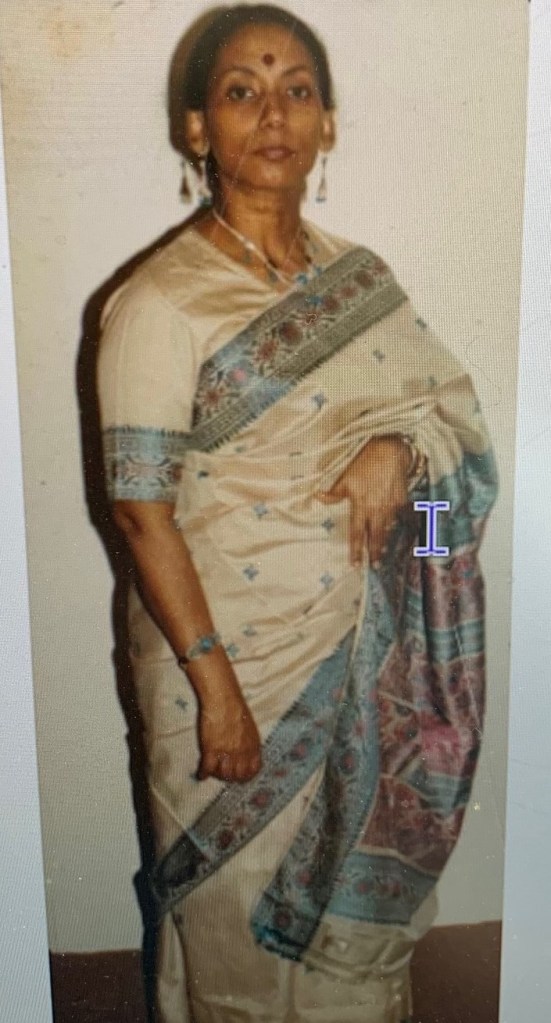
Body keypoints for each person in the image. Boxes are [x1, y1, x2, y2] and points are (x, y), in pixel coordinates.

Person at [97, 5, 497, 1021]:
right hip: (229, 670)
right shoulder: (159, 304)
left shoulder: (364, 282)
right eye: (242, 91)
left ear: (327, 123)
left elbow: (457, 483)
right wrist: (218, 691)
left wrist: (411, 484)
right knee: (234, 925)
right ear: (197, 128)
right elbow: (140, 514)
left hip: (372, 661)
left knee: (346, 952)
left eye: (297, 90)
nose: (272, 114)